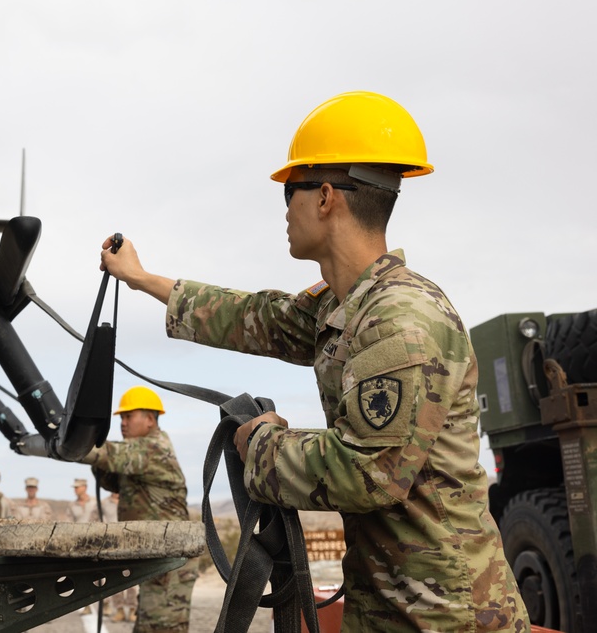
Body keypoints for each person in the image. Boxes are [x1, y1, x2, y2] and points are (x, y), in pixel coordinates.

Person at [98, 91, 528, 631]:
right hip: (395, 599)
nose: (283, 210)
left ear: (325, 198)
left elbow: (366, 472)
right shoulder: (344, 304)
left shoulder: (399, 320)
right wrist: (142, 279)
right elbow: (255, 315)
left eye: (288, 193)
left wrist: (259, 445)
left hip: (444, 613)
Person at [78, 386, 197, 633]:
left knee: (160, 629)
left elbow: (110, 454)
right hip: (158, 557)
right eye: (121, 417)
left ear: (150, 419)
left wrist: (76, 440)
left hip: (171, 561)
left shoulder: (154, 449)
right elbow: (111, 479)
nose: (122, 423)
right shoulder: (138, 455)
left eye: (128, 417)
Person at [100, 491, 139, 623]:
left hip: (130, 544)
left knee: (132, 579)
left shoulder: (131, 500)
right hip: (111, 544)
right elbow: (98, 521)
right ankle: (119, 610)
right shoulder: (104, 503)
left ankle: (133, 609)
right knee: (115, 579)